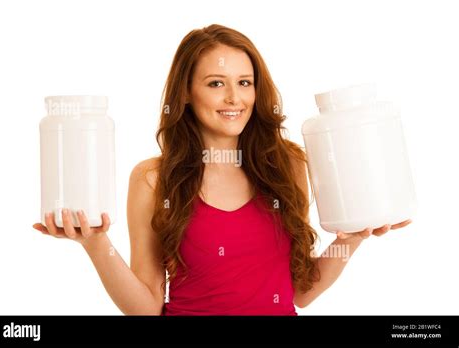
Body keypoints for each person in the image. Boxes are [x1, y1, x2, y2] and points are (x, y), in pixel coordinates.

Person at [32, 24, 412, 316]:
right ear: (185, 92)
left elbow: (299, 291)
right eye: (216, 83)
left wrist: (352, 238)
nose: (235, 98)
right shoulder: (152, 179)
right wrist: (97, 245)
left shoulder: (288, 164)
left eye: (245, 83)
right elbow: (146, 306)